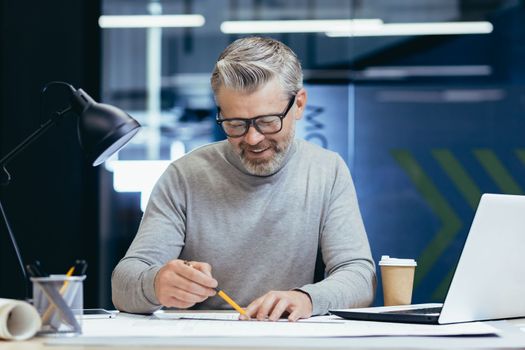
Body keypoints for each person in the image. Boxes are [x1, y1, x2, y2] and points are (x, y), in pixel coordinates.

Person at [112, 36, 376, 321]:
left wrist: (307, 298)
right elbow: (123, 284)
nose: (253, 138)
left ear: (298, 104)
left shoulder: (326, 171)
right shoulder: (185, 176)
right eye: (235, 124)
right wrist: (156, 284)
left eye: (267, 121)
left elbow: (359, 277)